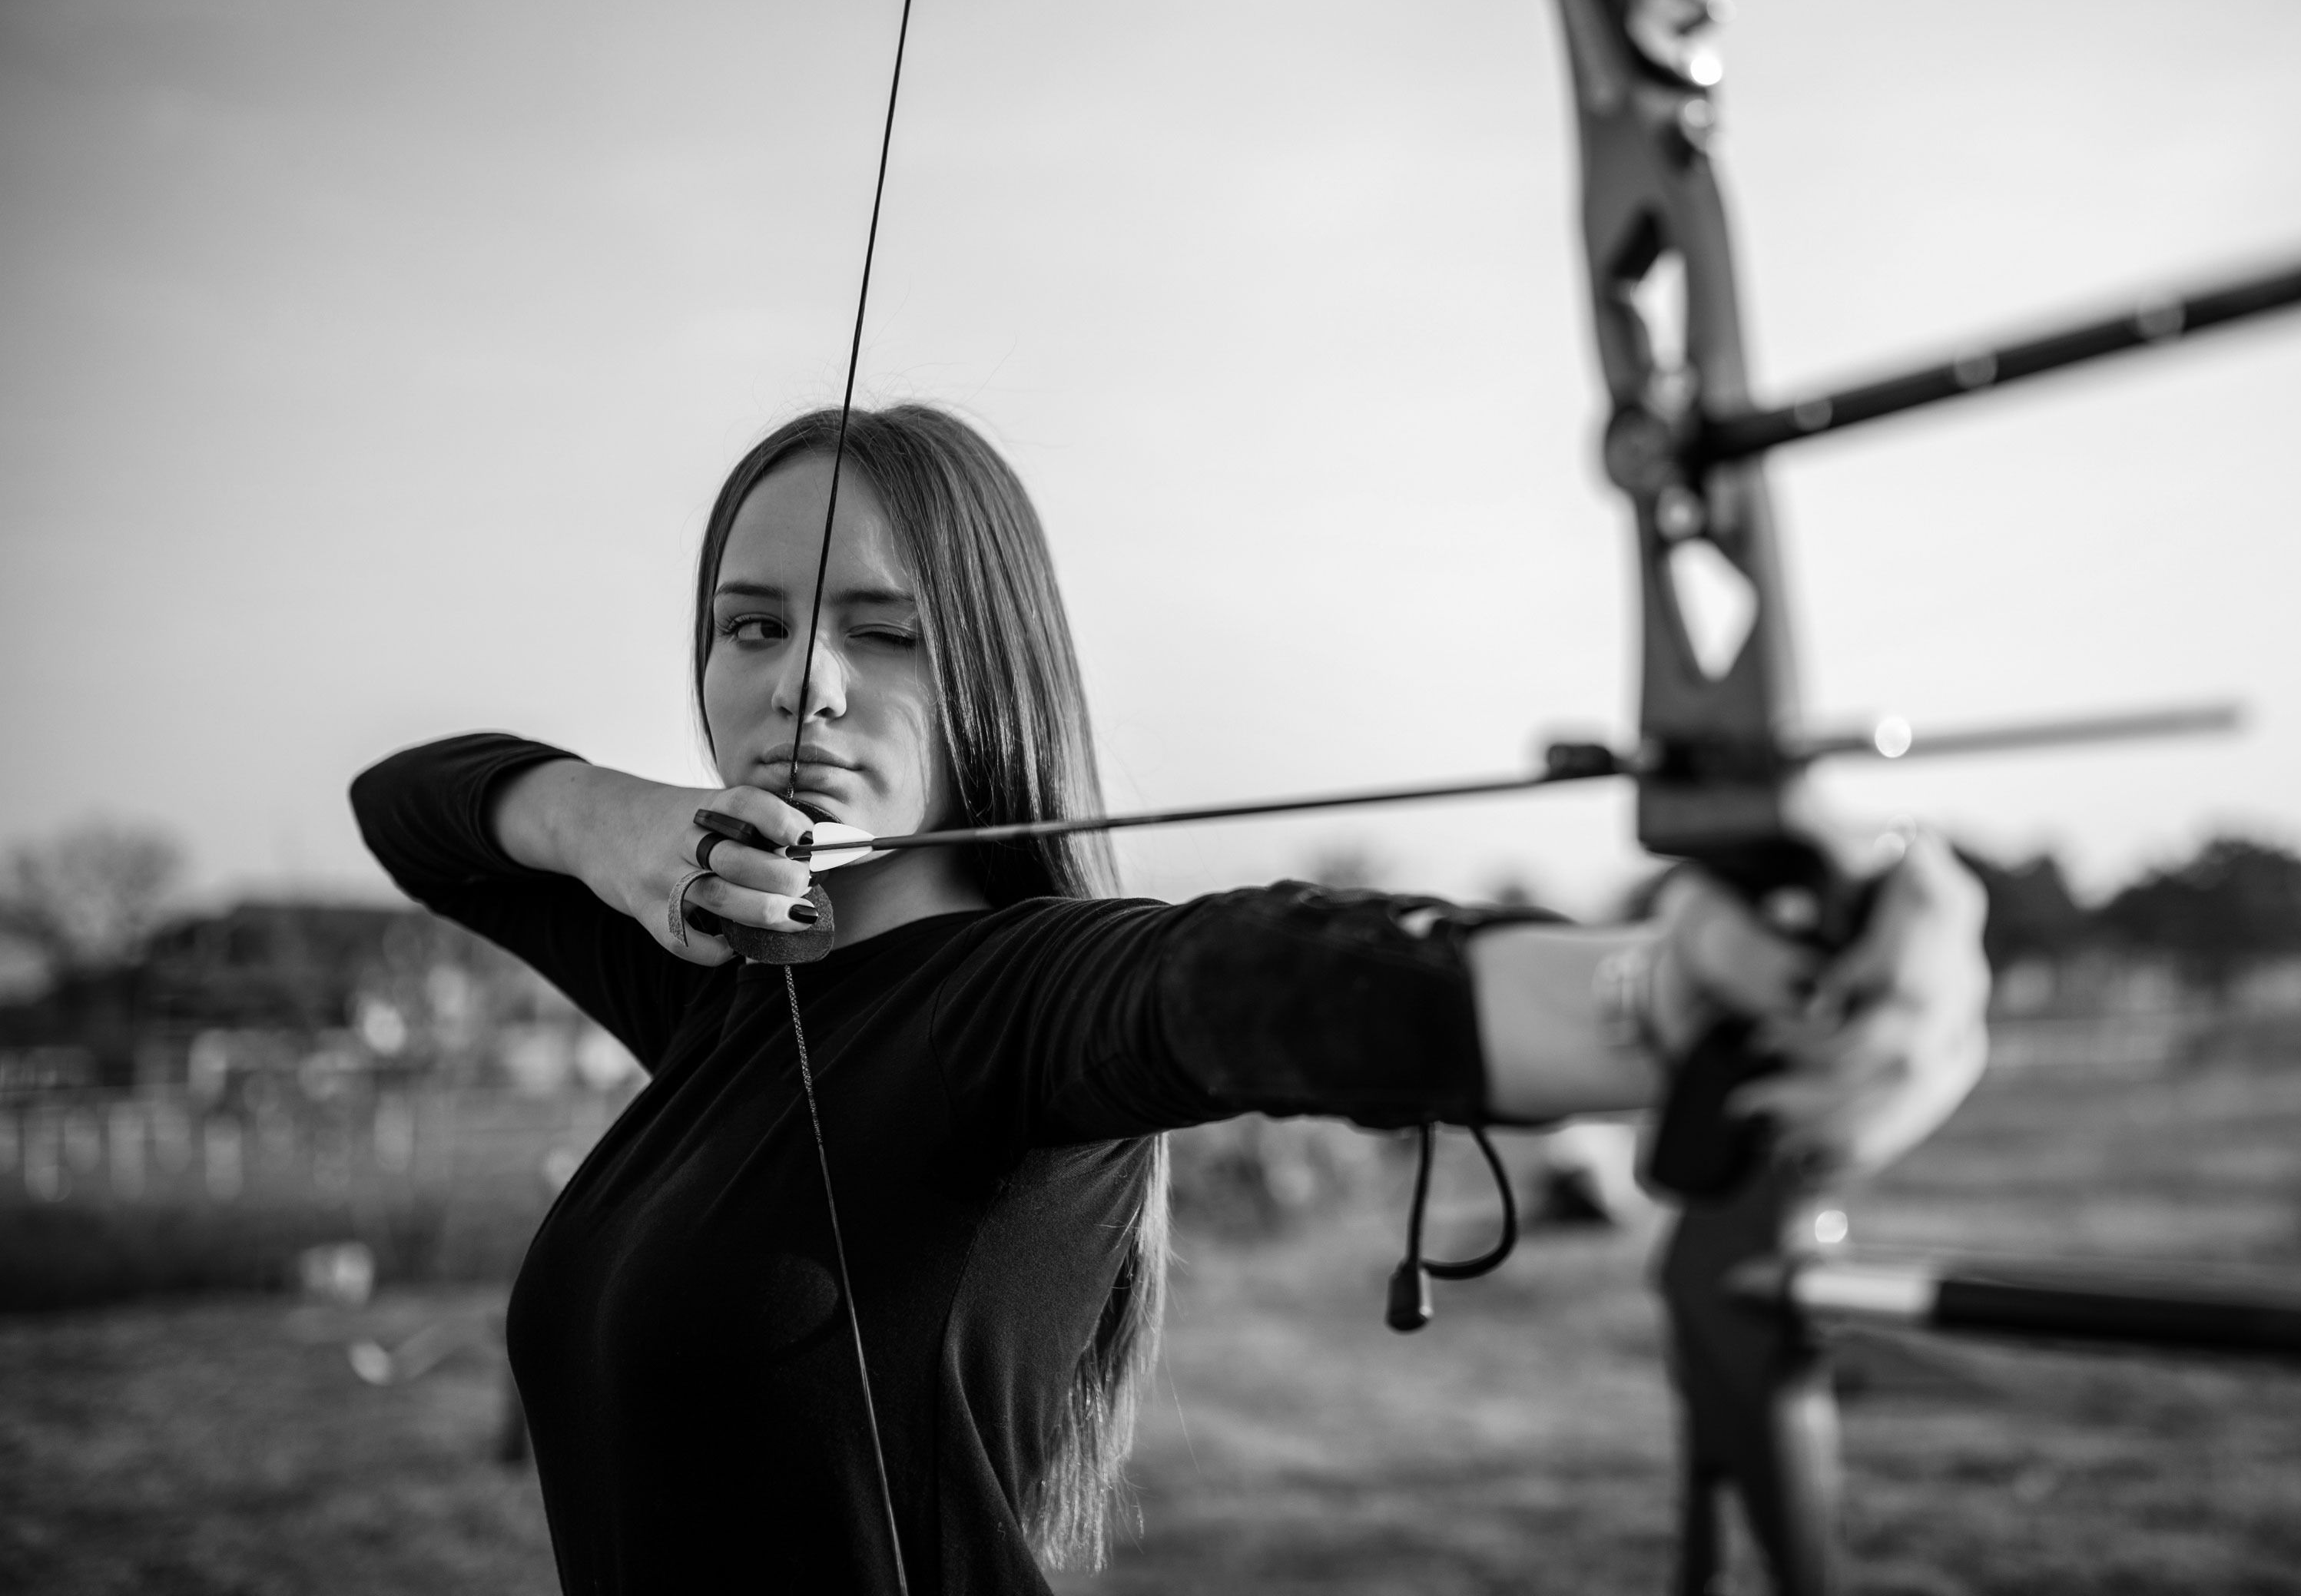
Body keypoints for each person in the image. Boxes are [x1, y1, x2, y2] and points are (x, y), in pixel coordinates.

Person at [350, 401, 1990, 1595]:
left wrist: (1689, 991)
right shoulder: (711, 980)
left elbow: (1248, 979)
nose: (803, 682)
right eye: (749, 624)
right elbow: (410, 806)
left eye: (884, 630)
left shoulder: (1024, 997)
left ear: (996, 668)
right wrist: (608, 818)